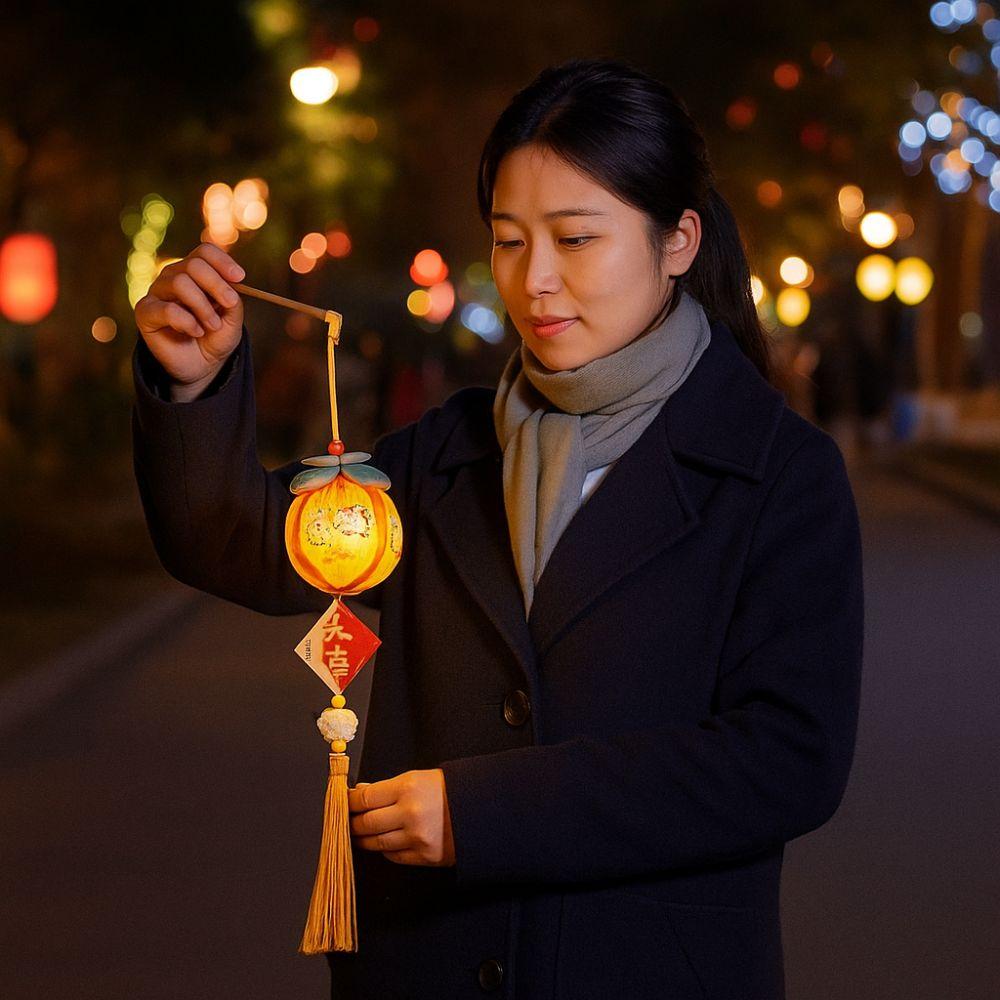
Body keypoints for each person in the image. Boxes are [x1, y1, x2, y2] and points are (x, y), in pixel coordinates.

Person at [132, 58, 864, 1000]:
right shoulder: (447, 454)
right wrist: (189, 384)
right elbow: (242, 543)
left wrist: (485, 814)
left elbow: (787, 760)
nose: (537, 282)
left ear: (679, 238)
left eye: (576, 238)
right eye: (511, 241)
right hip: (428, 964)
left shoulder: (775, 473)